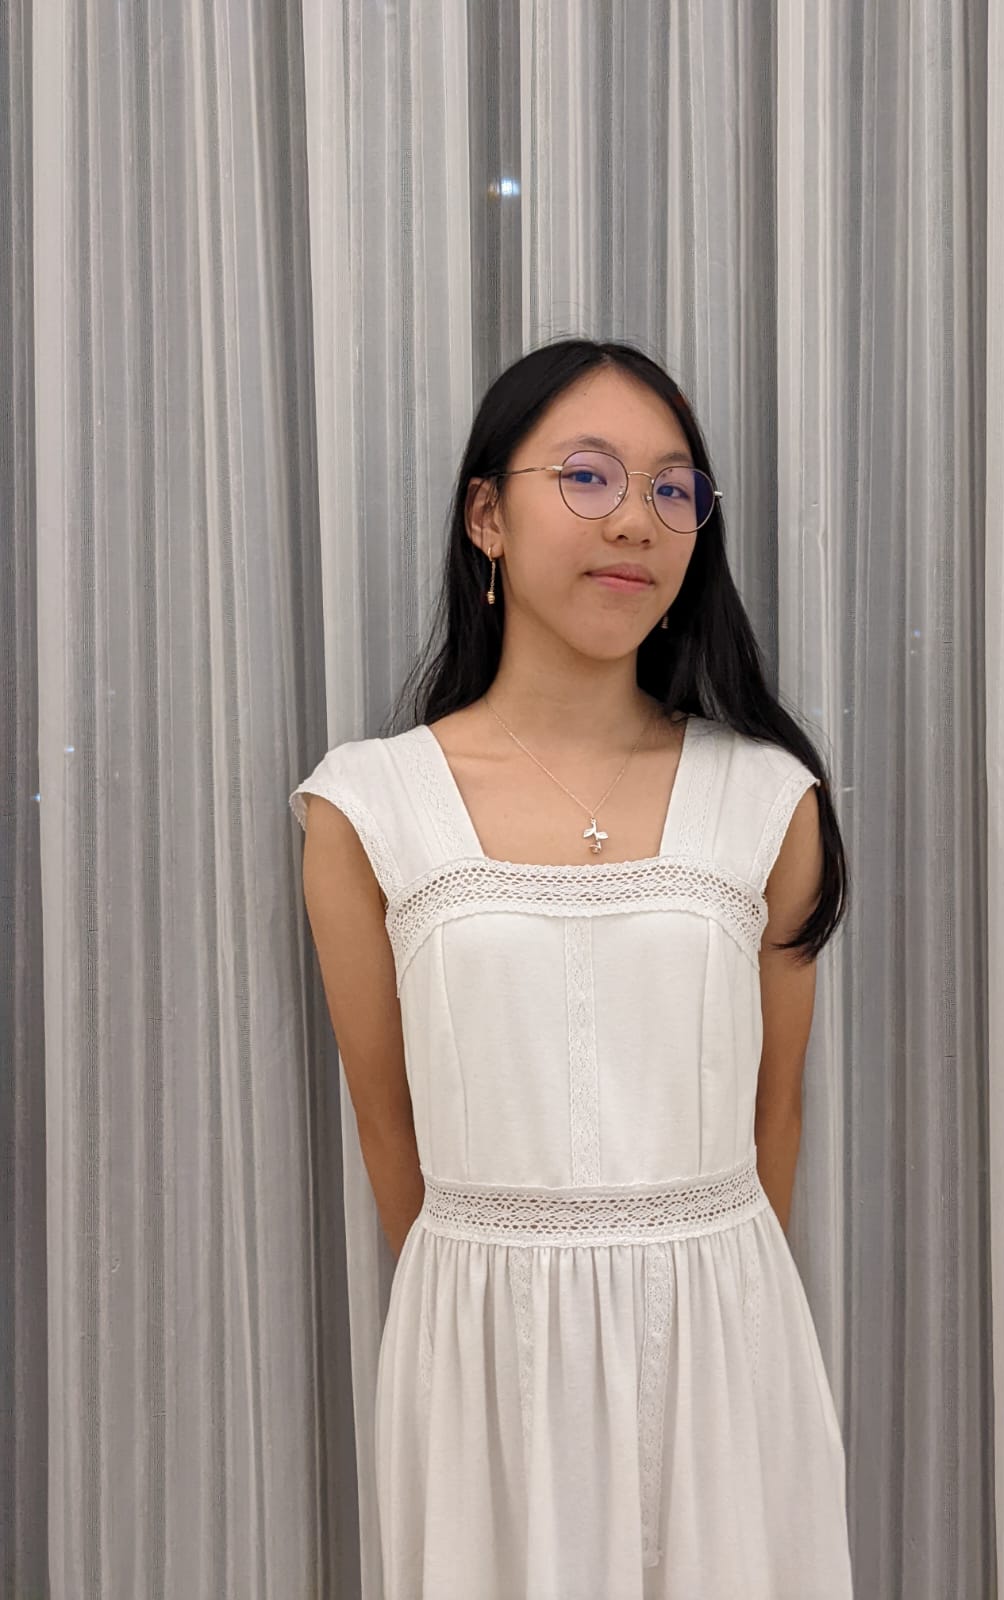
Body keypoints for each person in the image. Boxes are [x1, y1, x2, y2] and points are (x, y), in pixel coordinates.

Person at [289, 337, 854, 1598]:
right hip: (485, 1360)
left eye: (672, 490)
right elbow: (396, 1142)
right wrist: (508, 1312)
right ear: (487, 514)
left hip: (725, 1350)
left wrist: (695, 1306)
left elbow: (775, 1121)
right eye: (588, 477)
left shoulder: (765, 796)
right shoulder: (370, 806)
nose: (636, 522)